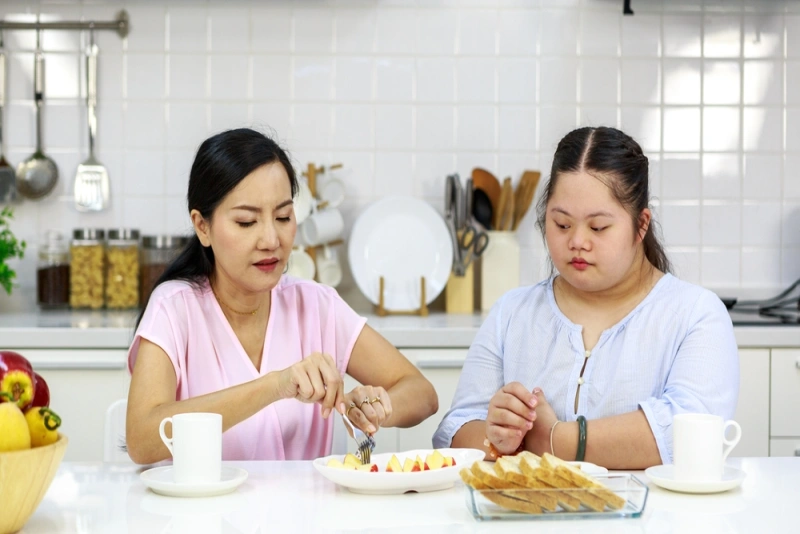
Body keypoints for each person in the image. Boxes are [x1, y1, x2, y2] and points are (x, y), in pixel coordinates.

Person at [433, 126, 738, 469]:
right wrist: (498, 438)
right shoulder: (512, 313)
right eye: (562, 224)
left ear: (641, 225)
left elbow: (687, 432)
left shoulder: (695, 314)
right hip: (530, 520)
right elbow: (455, 430)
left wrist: (555, 439)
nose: (577, 241)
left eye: (598, 227)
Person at [126, 128, 438, 463]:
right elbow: (143, 440)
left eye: (283, 217)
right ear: (202, 226)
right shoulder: (174, 308)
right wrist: (275, 386)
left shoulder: (316, 305)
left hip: (305, 513)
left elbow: (421, 393)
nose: (271, 239)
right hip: (201, 514)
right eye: (247, 222)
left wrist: (377, 408)